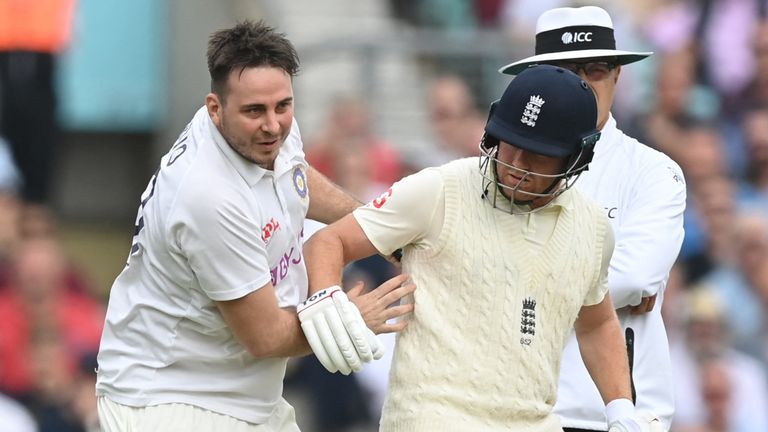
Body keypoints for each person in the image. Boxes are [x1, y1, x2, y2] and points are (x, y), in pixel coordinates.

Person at [304, 64, 661, 431]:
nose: (515, 166)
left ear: (577, 156)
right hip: (430, 418)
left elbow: (597, 322)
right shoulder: (439, 189)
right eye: (511, 145)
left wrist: (620, 410)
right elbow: (329, 240)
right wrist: (326, 297)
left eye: (537, 154)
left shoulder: (593, 228)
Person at [95, 21, 413, 432]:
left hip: (243, 397)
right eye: (254, 111)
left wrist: (375, 227)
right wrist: (351, 317)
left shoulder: (267, 129)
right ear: (215, 107)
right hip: (167, 400)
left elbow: (295, 178)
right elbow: (265, 336)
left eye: (283, 106)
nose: (273, 125)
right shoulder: (208, 197)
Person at [498, 6, 687, 432]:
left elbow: (635, 276)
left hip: (611, 414)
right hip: (512, 408)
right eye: (564, 72)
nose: (582, 84)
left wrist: (514, 286)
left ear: (618, 75)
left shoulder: (653, 171)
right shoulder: (498, 169)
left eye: (595, 69)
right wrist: (597, 284)